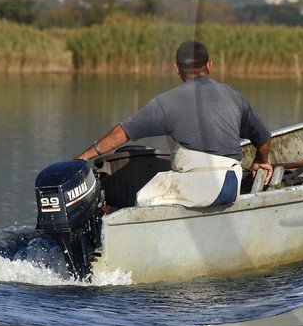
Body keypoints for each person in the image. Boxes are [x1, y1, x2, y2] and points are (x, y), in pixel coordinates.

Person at [77, 40, 273, 207]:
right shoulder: (234, 96)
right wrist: (261, 160)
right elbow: (264, 137)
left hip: (206, 187)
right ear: (210, 65)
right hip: (232, 183)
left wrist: (83, 157)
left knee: (144, 198)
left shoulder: (167, 102)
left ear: (177, 68)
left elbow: (123, 133)